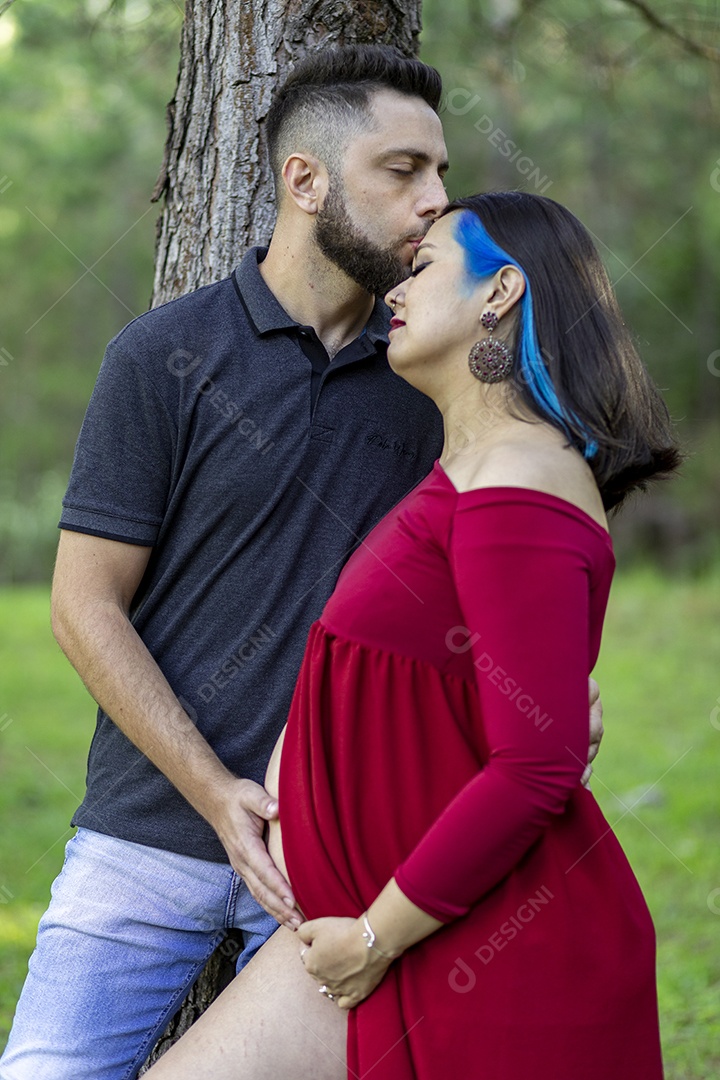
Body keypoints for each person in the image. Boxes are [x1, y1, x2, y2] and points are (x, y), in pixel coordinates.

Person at [0, 49, 602, 1080]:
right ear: (306, 180)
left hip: (348, 854)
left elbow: (505, 559)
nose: (434, 200)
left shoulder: (431, 372)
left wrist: (555, 692)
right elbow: (83, 605)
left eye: (442, 172)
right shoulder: (162, 357)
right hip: (150, 834)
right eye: (402, 170)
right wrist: (216, 791)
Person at [144, 191, 680, 1080]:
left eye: (424, 266)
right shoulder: (469, 474)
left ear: (501, 291)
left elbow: (536, 767)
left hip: (459, 955)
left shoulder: (518, 486)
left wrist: (371, 937)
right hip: (374, 935)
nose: (398, 284)